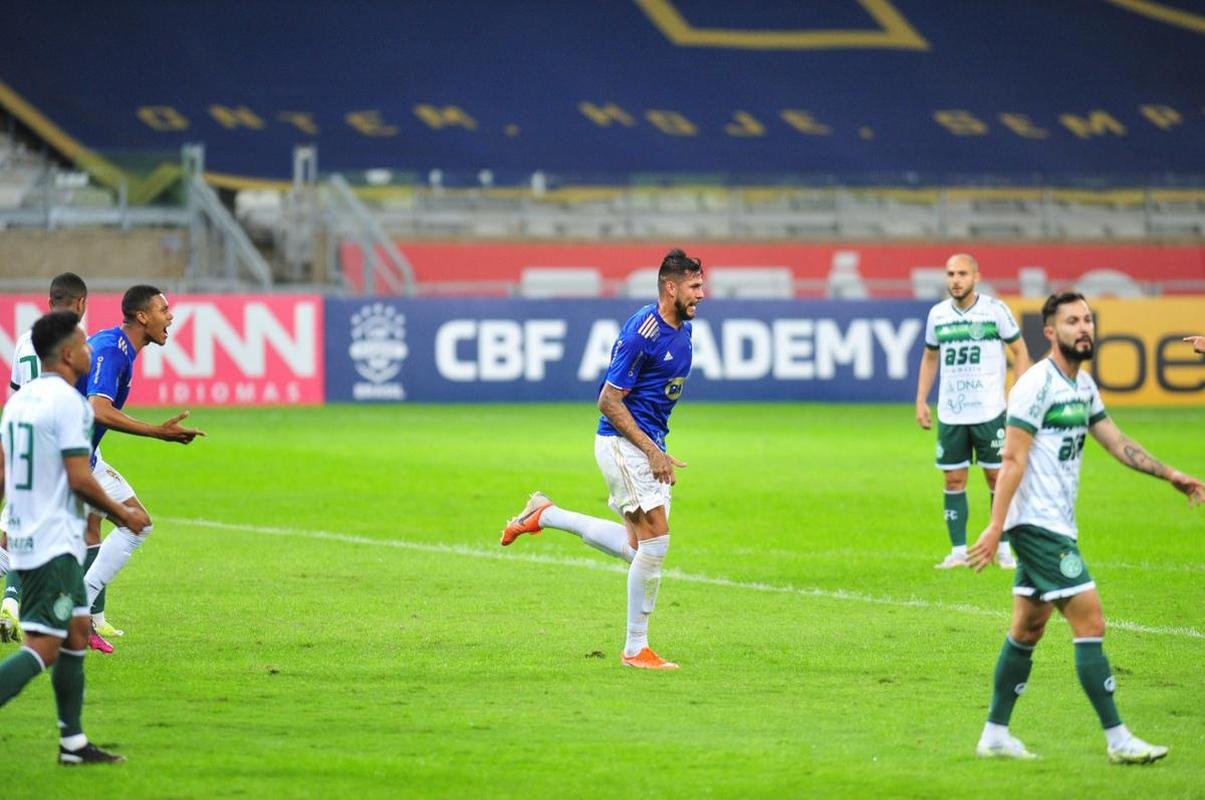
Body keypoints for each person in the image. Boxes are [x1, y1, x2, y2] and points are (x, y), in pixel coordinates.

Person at [968, 291, 1204, 764]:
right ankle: (1118, 739)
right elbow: (1011, 458)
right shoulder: (1035, 385)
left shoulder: (1083, 385)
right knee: (1091, 619)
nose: (1084, 328)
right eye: (1073, 321)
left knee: (1027, 628)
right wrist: (997, 527)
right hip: (1036, 525)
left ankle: (994, 734)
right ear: (1050, 332)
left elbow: (1116, 441)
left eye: (1089, 320)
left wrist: (1172, 475)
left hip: (1057, 523)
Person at [499, 248, 704, 670]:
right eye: (694, 286)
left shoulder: (682, 328)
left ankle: (545, 514)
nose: (702, 294)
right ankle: (635, 649)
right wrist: (651, 451)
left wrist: (658, 445)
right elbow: (608, 400)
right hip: (622, 444)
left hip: (649, 444)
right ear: (671, 287)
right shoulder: (641, 334)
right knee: (657, 543)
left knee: (639, 550)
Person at [0, 310, 150, 764]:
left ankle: (73, 744)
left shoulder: (19, 402)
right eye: (84, 345)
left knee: (78, 632)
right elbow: (79, 478)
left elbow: (4, 472)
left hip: (26, 534)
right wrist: (122, 512)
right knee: (44, 646)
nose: (91, 351)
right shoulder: (68, 403)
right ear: (67, 353)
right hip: (53, 543)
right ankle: (72, 743)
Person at [76, 285, 204, 650]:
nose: (171, 316)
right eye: (164, 309)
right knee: (18, 549)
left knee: (137, 523)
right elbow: (97, 409)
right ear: (143, 316)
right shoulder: (111, 351)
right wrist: (157, 432)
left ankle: (80, 610)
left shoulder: (120, 349)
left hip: (86, 459)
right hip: (60, 460)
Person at [916, 253, 1031, 569]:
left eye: (962, 274)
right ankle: (957, 551)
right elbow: (929, 357)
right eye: (950, 273)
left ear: (976, 277)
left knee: (998, 478)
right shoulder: (938, 315)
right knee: (953, 479)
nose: (955, 280)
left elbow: (1020, 352)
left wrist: (1017, 397)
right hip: (952, 413)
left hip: (990, 411)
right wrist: (921, 399)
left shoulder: (994, 311)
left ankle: (1004, 549)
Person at [2, 273, 92, 645]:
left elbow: (14, 396)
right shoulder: (72, 342)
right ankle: (75, 614)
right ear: (80, 303)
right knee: (64, 530)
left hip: (22, 439)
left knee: (20, 528)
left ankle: (14, 602)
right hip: (59, 444)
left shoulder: (26, 341)